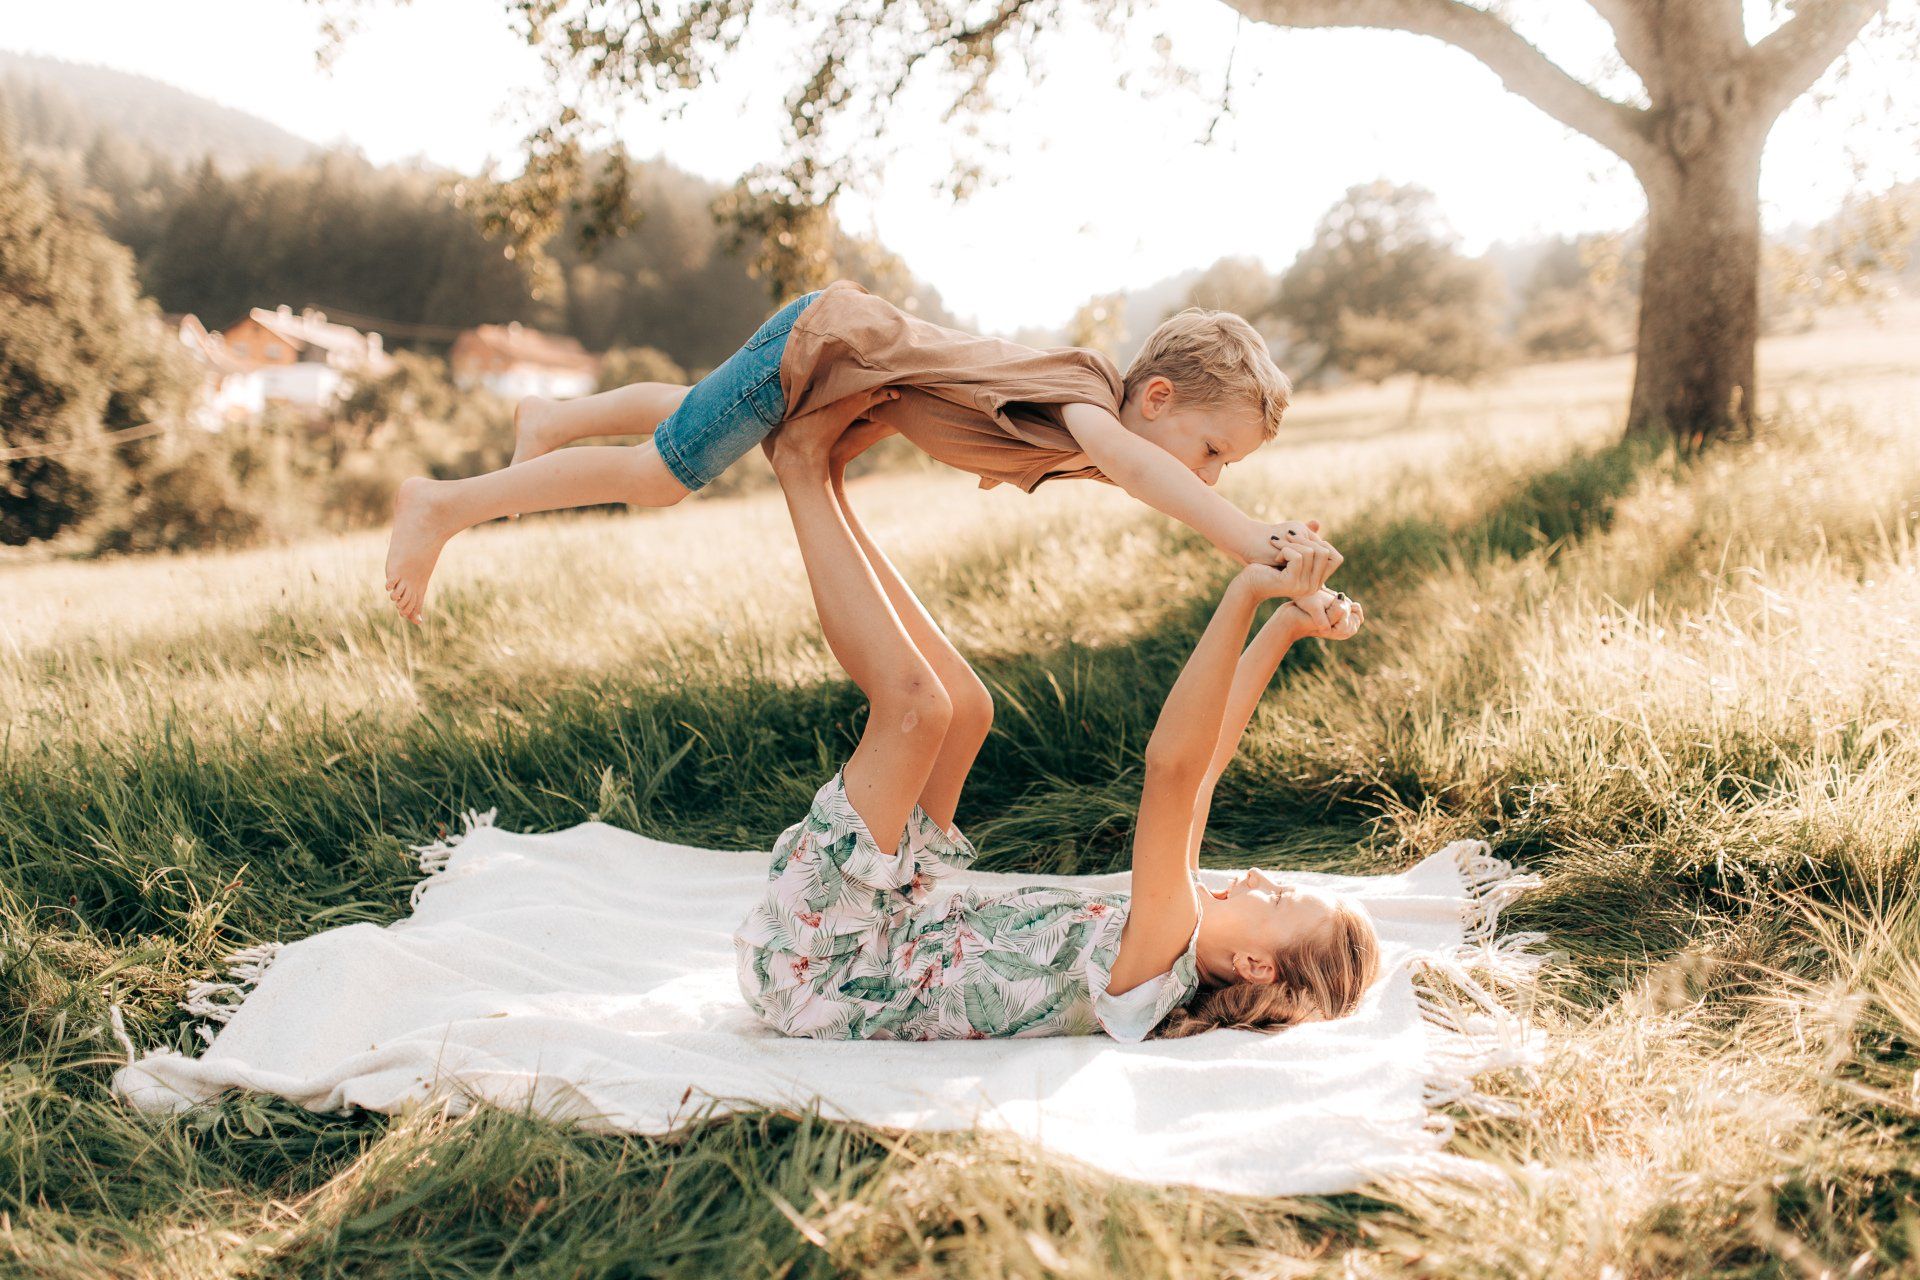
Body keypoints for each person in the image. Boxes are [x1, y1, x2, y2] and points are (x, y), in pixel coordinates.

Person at [732, 389, 1379, 1042]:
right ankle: (830, 486)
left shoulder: (1159, 959)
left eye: (1277, 898)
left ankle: (800, 467)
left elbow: (1175, 768)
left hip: (820, 968)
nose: (1260, 877)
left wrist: (1246, 592)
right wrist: (1285, 626)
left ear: (1255, 966)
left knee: (916, 708)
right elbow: (1205, 768)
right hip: (888, 924)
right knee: (966, 710)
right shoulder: (1175, 924)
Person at [384, 281, 1315, 623]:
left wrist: (1288, 565)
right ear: (1157, 397)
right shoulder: (1091, 396)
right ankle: (444, 504)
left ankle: (552, 418)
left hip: (840, 355)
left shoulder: (1098, 430)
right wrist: (1246, 536)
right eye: (1211, 450)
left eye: (1223, 469)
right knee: (658, 477)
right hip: (829, 344)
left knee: (697, 412)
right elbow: (1147, 474)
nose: (1207, 475)